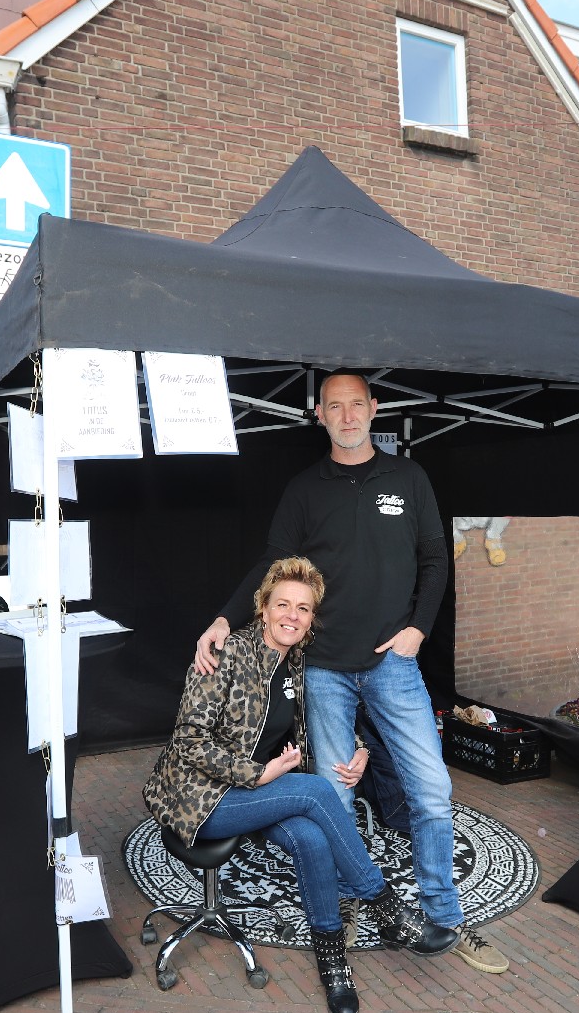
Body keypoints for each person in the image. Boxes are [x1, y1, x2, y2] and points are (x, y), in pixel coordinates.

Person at [194, 370, 507, 976]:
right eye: (334, 406)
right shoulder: (304, 490)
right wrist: (225, 618)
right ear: (320, 415)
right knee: (334, 794)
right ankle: (348, 905)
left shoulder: (409, 478)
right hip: (323, 668)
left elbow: (434, 559)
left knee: (431, 789)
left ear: (373, 408)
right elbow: (272, 564)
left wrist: (418, 629)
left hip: (394, 663)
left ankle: (445, 916)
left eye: (356, 404)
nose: (346, 415)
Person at [147, 558, 444, 1013]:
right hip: (200, 799)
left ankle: (332, 961)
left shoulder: (299, 663)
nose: (292, 615)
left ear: (311, 618)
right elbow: (189, 741)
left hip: (259, 793)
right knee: (314, 792)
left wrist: (360, 747)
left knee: (312, 837)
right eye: (282, 604)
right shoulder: (225, 653)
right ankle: (386, 907)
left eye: (303, 608)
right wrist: (258, 774)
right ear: (263, 609)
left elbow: (320, 722)